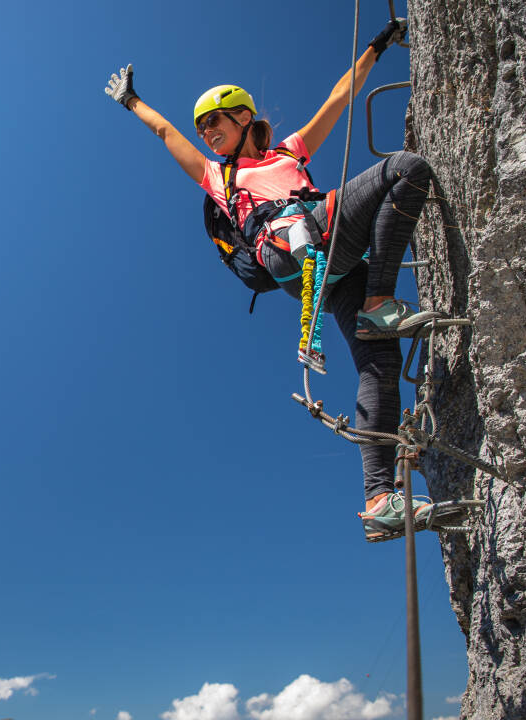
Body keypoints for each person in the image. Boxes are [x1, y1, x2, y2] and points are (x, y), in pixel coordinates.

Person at [104, 20, 441, 540]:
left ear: (244, 117)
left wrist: (377, 44)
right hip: (292, 249)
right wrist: (133, 102)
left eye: (215, 120)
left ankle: (379, 499)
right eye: (203, 128)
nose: (207, 132)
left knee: (380, 363)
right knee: (404, 169)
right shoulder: (220, 177)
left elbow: (339, 97)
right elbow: (165, 132)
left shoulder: (290, 152)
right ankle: (379, 300)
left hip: (330, 267)